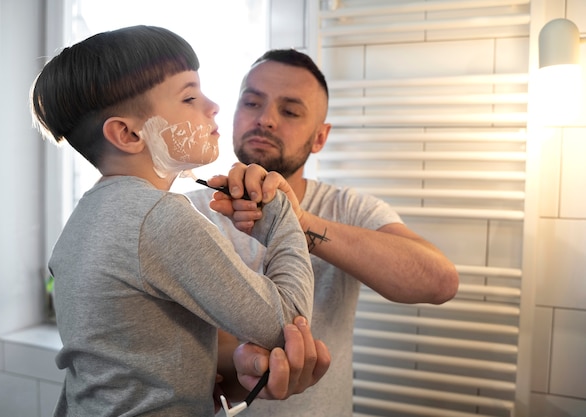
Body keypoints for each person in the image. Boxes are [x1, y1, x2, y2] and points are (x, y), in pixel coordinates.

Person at [30, 27, 317, 417]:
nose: (213, 106)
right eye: (189, 97)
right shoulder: (159, 216)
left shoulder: (86, 217)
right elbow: (286, 322)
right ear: (128, 134)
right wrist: (281, 212)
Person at [187, 49, 460, 416]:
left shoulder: (348, 209)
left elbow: (440, 282)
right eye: (252, 102)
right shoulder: (185, 213)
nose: (265, 119)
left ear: (320, 137)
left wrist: (298, 222)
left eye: (290, 111)